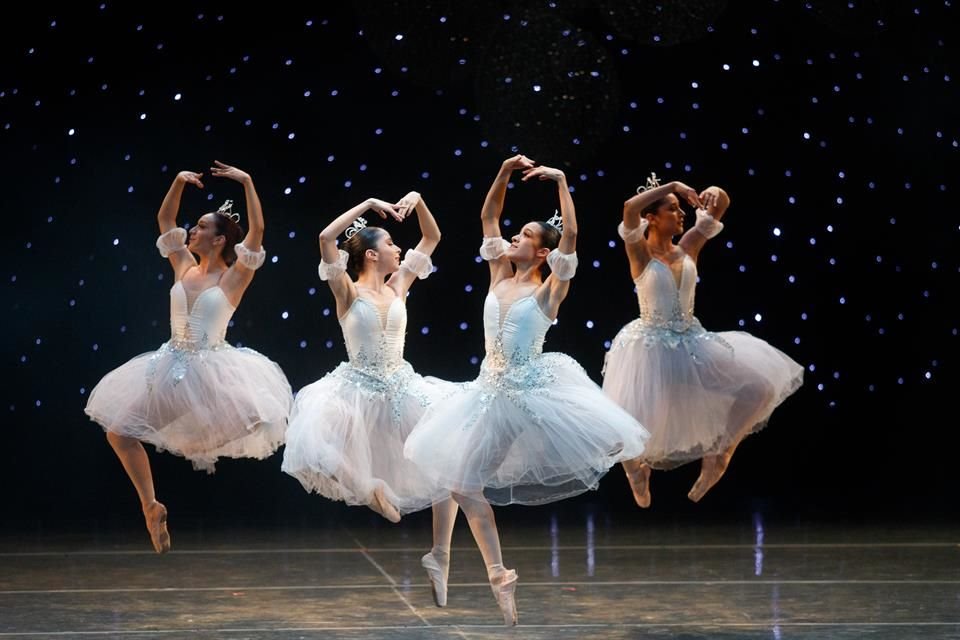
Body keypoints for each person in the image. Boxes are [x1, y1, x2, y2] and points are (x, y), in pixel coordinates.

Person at [405, 155, 648, 625]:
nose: (513, 237)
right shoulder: (498, 275)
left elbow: (572, 238)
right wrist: (502, 171)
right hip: (487, 392)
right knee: (458, 481)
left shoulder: (549, 291)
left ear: (542, 254)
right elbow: (488, 217)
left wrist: (560, 182)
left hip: (522, 397)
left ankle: (488, 568)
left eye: (527, 236)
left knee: (460, 481)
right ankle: (493, 574)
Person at [85, 162, 292, 553]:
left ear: (217, 240)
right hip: (168, 366)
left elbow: (257, 232)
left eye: (199, 227)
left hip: (211, 369)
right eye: (192, 226)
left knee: (236, 428)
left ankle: (208, 446)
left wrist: (247, 181)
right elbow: (165, 218)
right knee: (119, 432)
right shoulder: (182, 265)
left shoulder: (234, 276)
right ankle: (151, 507)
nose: (190, 231)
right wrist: (178, 182)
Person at [603, 174, 803, 507]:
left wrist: (717, 191)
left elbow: (721, 204)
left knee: (759, 388)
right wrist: (673, 186)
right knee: (627, 417)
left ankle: (720, 453)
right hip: (649, 347)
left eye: (681, 209)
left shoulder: (689, 246)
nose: (681, 213)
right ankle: (635, 472)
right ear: (651, 218)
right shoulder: (639, 252)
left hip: (693, 343)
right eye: (672, 209)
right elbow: (628, 208)